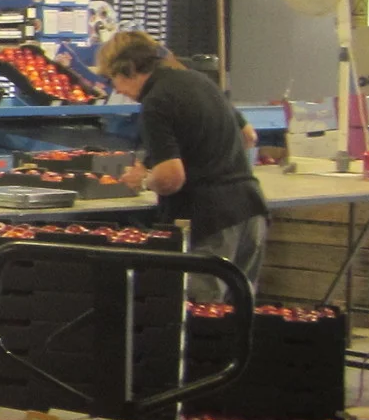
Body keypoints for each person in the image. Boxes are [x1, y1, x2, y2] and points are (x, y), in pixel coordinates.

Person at [99, 29, 268, 298]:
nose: (117, 89)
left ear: (129, 69)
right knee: (239, 312)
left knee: (200, 312)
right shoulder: (199, 80)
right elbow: (248, 136)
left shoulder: (156, 102)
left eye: (114, 78)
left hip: (210, 220)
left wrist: (144, 180)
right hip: (250, 211)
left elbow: (171, 178)